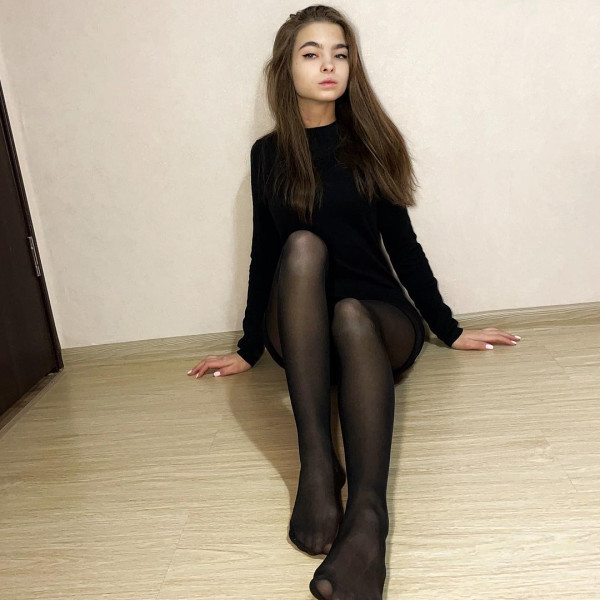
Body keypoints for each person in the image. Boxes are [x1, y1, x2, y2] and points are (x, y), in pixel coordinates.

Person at [188, 5, 520, 600]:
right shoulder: (268, 156)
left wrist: (449, 329)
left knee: (349, 312)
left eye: (340, 54)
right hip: (303, 330)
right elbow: (264, 255)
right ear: (285, 69)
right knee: (300, 247)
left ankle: (368, 515)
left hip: (376, 318)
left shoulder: (372, 144)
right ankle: (318, 462)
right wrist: (248, 347)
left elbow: (403, 247)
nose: (329, 65)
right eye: (311, 53)